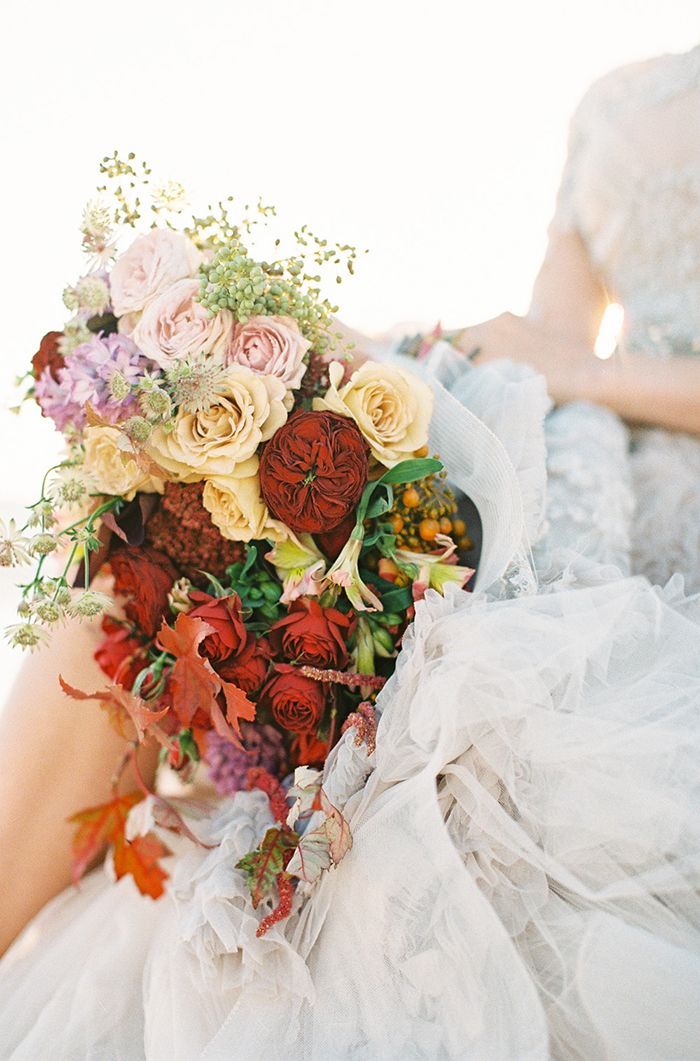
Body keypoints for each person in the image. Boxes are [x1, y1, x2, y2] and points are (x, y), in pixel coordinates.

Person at [0, 44, 699, 1060]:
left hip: (669, 491)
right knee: (153, 529)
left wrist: (592, 374)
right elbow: (548, 336)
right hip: (577, 446)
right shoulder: (617, 101)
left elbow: (571, 358)